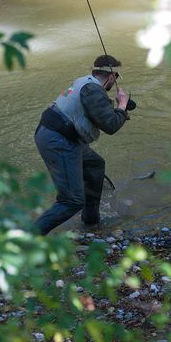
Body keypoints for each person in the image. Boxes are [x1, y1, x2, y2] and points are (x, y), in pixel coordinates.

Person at [34, 54, 130, 235]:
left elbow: (96, 111)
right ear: (112, 77)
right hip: (60, 139)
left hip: (57, 134)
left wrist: (117, 107)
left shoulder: (84, 83)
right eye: (116, 80)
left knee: (95, 165)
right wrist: (122, 106)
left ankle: (91, 223)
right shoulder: (93, 90)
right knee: (71, 201)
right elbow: (110, 125)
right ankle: (27, 240)